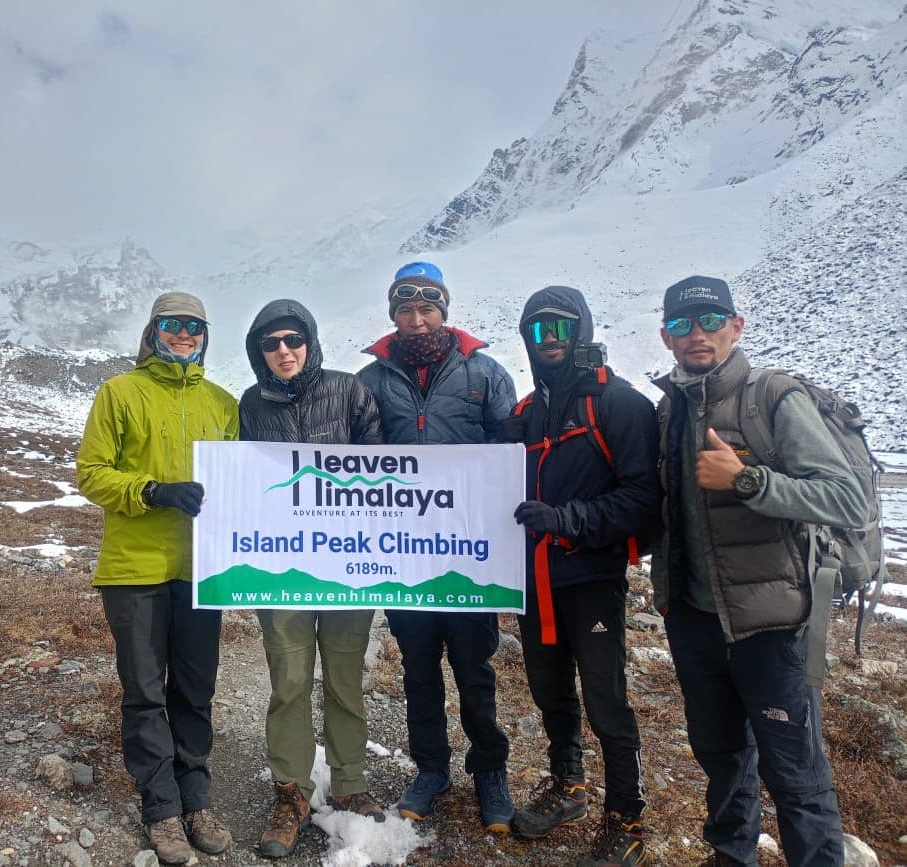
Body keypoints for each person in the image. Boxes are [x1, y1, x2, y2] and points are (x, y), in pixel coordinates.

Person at [651, 275, 866, 867]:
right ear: (666, 338)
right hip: (693, 616)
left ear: (736, 327)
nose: (696, 335)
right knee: (720, 756)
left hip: (770, 622)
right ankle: (730, 854)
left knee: (794, 769)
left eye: (710, 320)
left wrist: (748, 481)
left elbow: (847, 499)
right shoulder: (669, 407)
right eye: (680, 324)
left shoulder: (773, 397)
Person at [76, 292, 239, 866]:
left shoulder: (224, 403)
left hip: (203, 569)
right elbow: (91, 474)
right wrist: (150, 491)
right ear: (153, 331)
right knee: (145, 693)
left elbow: (243, 484)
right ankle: (161, 808)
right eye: (173, 325)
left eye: (195, 325)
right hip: (135, 570)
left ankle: (197, 798)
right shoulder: (119, 393)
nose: (184, 334)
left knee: (194, 690)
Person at [498, 286, 659, 867]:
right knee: (549, 689)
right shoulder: (527, 412)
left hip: (591, 576)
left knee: (605, 698)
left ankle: (628, 816)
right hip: (534, 580)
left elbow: (644, 499)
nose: (551, 340)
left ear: (583, 330)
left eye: (562, 328)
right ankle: (568, 784)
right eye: (539, 330)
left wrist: (567, 520)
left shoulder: (618, 404)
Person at [357, 261, 518, 832]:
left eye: (427, 309)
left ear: (444, 311)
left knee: (475, 669)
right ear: (393, 315)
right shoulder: (371, 381)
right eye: (406, 310)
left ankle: (490, 772)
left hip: (470, 555)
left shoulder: (485, 373)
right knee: (419, 669)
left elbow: (510, 457)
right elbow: (353, 464)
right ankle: (431, 769)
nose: (417, 320)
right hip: (403, 556)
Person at [239, 299, 386, 858]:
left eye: (292, 340)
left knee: (345, 678)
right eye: (271, 343)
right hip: (282, 570)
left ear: (310, 341)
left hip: (348, 566)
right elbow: (244, 480)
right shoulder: (250, 405)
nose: (283, 351)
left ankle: (350, 784)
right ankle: (291, 793)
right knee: (290, 681)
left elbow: (381, 472)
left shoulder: (350, 391)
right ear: (259, 351)